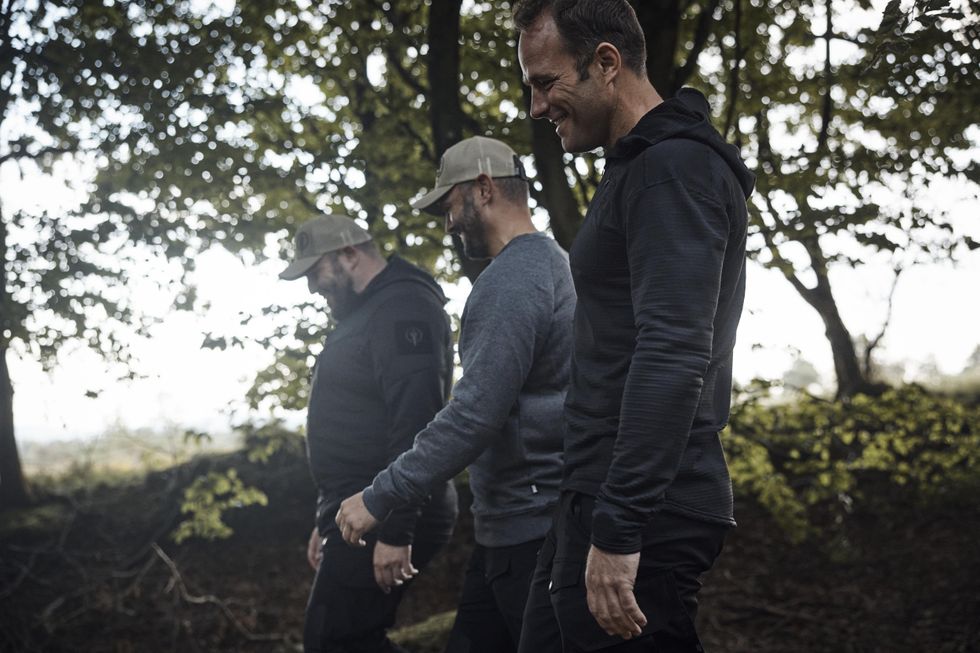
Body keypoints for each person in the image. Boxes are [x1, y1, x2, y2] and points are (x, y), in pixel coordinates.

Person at [513, 1, 756, 651]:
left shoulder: (672, 167)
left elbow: (674, 354)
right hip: (591, 494)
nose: (536, 107)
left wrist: (620, 528)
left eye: (545, 83)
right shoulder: (636, 166)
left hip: (642, 508)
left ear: (606, 63)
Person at [334, 136, 576, 653]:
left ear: (483, 189)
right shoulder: (552, 262)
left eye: (450, 206)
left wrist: (381, 495)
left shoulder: (512, 279)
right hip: (511, 531)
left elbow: (473, 415)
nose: (448, 223)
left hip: (531, 534)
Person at [279, 214, 458, 653]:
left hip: (387, 507)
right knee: (340, 638)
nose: (311, 287)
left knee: (337, 640)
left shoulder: (403, 307)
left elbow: (416, 421)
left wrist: (397, 529)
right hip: (357, 507)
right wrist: (327, 518)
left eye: (314, 271)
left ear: (349, 254)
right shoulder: (365, 312)